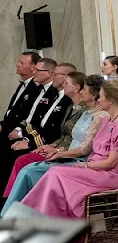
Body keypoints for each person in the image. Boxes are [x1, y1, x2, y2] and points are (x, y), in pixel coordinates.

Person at [20, 79, 118, 220]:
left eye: (101, 96)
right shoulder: (107, 120)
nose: (98, 99)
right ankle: (35, 219)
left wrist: (85, 165)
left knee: (56, 174)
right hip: (96, 168)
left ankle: (44, 223)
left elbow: (110, 163)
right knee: (54, 173)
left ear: (111, 100)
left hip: (111, 173)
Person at [2, 75, 109, 215]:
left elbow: (85, 149)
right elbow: (69, 137)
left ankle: (24, 214)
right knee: (28, 169)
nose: (82, 91)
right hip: (68, 154)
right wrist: (57, 150)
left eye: (85, 89)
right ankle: (12, 212)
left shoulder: (100, 116)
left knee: (30, 171)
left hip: (80, 160)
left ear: (94, 95)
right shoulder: (86, 112)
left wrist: (59, 152)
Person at [0, 60, 75, 190]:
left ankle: (14, 200)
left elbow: (55, 130)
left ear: (66, 76)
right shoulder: (57, 96)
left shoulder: (68, 101)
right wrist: (26, 138)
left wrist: (30, 142)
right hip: (45, 141)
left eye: (56, 74)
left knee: (18, 158)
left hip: (54, 144)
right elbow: (39, 122)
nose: (53, 77)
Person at [1, 51, 40, 138]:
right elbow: (12, 111)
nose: (18, 65)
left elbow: (30, 115)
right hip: (7, 130)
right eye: (19, 61)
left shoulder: (36, 87)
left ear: (33, 68)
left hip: (18, 134)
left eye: (22, 63)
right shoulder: (23, 84)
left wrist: (18, 130)